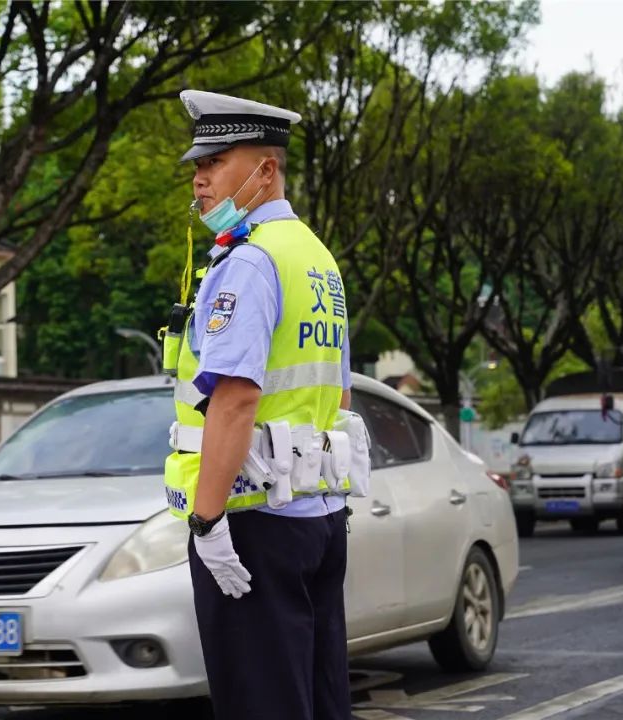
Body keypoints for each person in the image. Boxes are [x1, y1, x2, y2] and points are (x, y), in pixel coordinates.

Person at [161, 90, 356, 720]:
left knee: (260, 703)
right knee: (317, 699)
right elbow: (340, 394)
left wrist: (208, 522)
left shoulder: (249, 261)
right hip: (316, 515)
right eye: (198, 164)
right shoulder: (317, 258)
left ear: (265, 170)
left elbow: (235, 398)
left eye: (215, 162)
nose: (200, 178)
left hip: (252, 519)